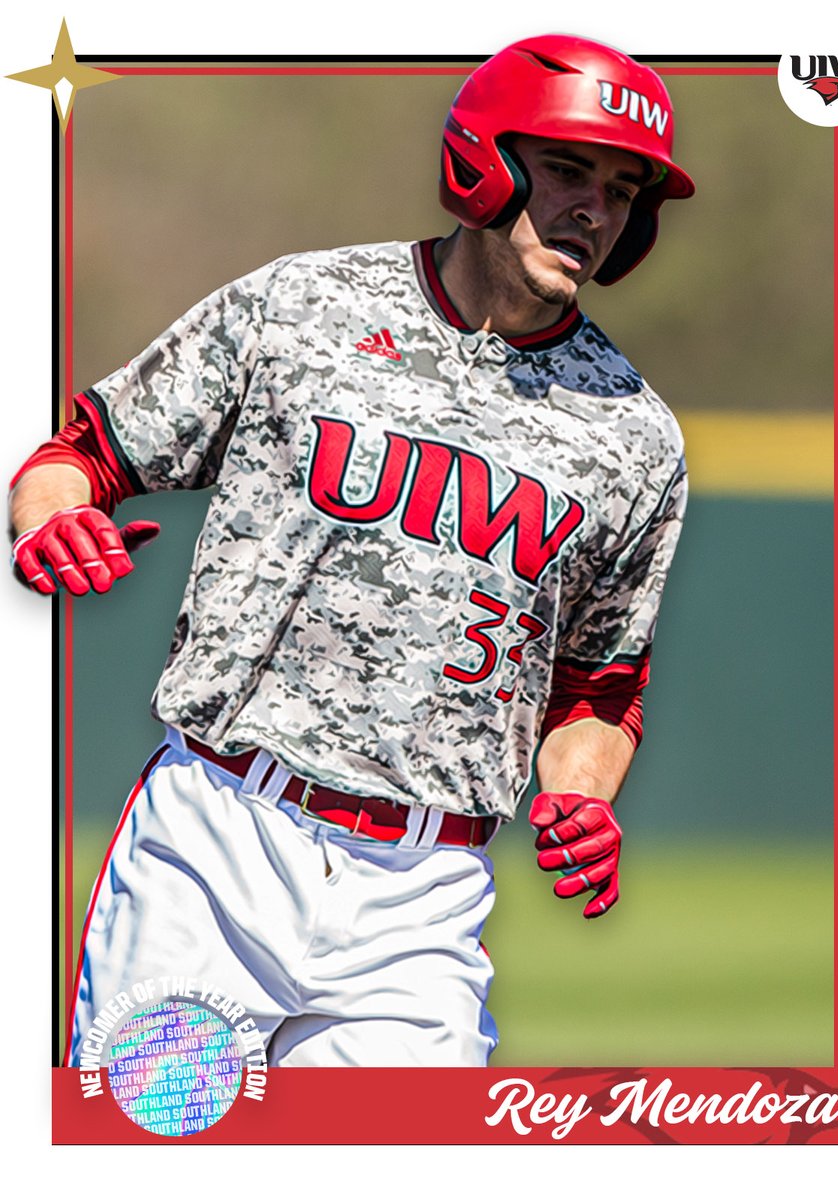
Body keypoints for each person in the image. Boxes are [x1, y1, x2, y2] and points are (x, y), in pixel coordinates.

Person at [10, 34, 693, 1068]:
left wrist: (580, 798)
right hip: (221, 840)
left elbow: (599, 687)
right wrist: (50, 517)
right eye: (566, 168)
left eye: (623, 188)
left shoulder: (637, 436)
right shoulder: (303, 307)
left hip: (420, 904)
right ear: (485, 160)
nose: (594, 208)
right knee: (148, 1162)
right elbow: (79, 453)